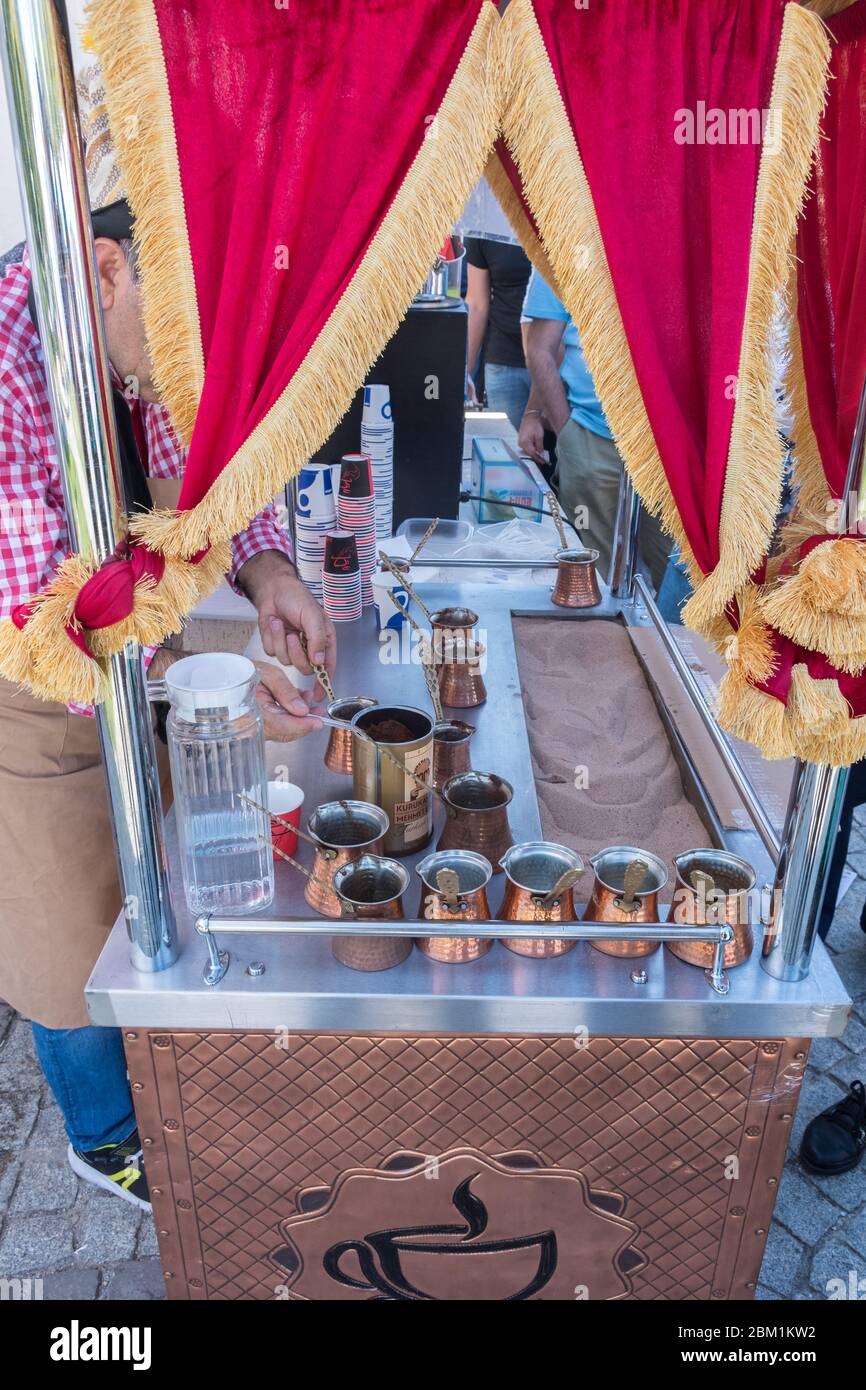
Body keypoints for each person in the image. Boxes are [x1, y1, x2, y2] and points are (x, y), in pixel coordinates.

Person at [0, 67, 334, 1209]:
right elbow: (35, 600)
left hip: (126, 654)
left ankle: (175, 1072)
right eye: (180, 324)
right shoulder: (9, 355)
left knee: (160, 890)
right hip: (26, 693)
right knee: (60, 927)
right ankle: (103, 1133)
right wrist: (222, 687)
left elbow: (206, 461)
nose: (188, 359)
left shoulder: (136, 321)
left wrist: (271, 567)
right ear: (101, 267)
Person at [518, 269, 671, 587]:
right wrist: (566, 431)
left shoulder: (677, 235)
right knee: (591, 579)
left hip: (670, 447)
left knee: (676, 576)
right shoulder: (566, 244)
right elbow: (540, 348)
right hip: (592, 436)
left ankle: (666, 637)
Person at [464, 236, 532, 429]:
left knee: (560, 451)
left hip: (556, 356)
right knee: (507, 450)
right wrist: (464, 375)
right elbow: (476, 305)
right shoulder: (485, 225)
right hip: (503, 359)